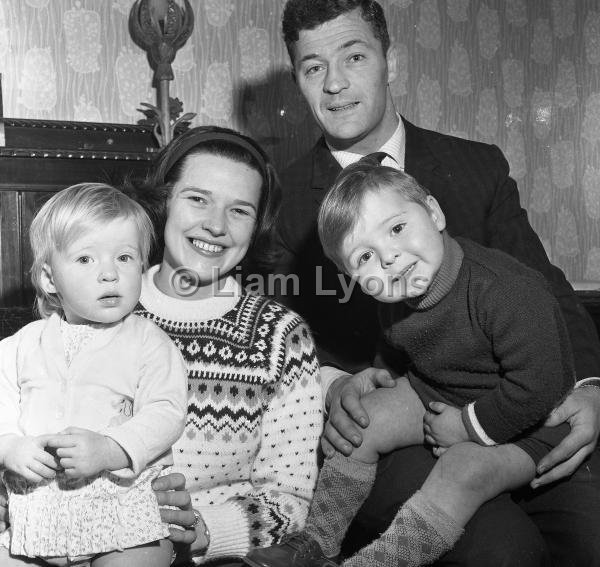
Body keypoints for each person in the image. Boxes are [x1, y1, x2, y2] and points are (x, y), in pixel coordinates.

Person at [261, 0, 600, 565]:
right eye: (313, 67)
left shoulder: (477, 167)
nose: (336, 83)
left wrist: (591, 387)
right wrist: (334, 383)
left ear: (388, 59)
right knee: (505, 554)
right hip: (397, 427)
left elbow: (550, 291)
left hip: (526, 403)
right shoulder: (284, 201)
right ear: (297, 79)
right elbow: (281, 336)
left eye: (354, 55)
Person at [246, 159, 577, 567]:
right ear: (348, 276)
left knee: (462, 469)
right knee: (362, 424)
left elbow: (540, 387)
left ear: (434, 213)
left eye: (398, 229)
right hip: (442, 388)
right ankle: (317, 543)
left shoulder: (506, 291)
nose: (389, 258)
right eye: (364, 256)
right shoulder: (399, 293)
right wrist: (380, 372)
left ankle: (376, 563)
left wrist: (467, 426)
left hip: (534, 420)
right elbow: (403, 342)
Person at [125, 125, 323, 565]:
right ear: (164, 203)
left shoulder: (280, 337)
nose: (215, 225)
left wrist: (204, 531)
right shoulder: (96, 309)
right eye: (197, 199)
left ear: (258, 227)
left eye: (239, 211)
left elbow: (290, 500)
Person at [0, 183, 188, 566]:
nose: (109, 274)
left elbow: (167, 412)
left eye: (123, 257)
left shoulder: (150, 342)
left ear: (142, 266)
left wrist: (111, 448)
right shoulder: (20, 345)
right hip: (38, 511)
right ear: (51, 279)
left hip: (124, 509)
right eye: (85, 260)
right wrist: (9, 446)